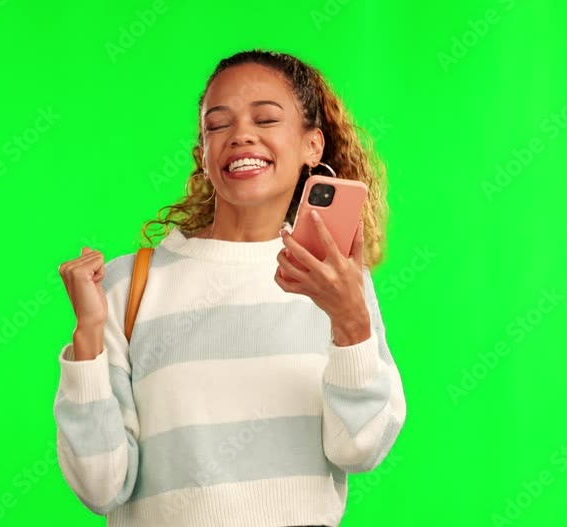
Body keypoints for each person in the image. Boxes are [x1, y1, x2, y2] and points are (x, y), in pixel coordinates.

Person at [53, 49, 406, 527]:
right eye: (218, 125)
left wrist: (351, 325)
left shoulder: (333, 281)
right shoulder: (125, 286)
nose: (241, 135)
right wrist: (88, 339)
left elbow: (360, 448)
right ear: (202, 152)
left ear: (312, 146)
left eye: (265, 118)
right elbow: (101, 486)